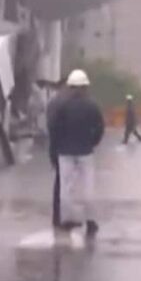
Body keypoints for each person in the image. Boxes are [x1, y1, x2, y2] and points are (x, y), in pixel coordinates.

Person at [48, 69, 105, 236]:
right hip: (85, 151)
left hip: (65, 151)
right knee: (88, 187)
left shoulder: (62, 106)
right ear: (85, 87)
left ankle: (66, 220)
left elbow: (55, 129)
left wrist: (55, 149)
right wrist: (92, 142)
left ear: (70, 87)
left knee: (66, 188)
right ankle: (91, 221)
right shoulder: (92, 105)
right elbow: (100, 127)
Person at [45, 82, 69, 228]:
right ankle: (63, 215)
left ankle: (58, 215)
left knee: (60, 181)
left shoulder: (53, 103)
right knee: (65, 183)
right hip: (64, 147)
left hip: (56, 146)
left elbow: (51, 127)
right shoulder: (62, 104)